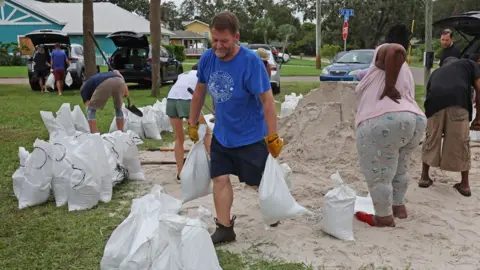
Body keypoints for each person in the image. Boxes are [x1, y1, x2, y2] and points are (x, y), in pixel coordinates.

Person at [187, 11, 283, 245]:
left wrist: (272, 136)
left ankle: (275, 206)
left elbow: (267, 100)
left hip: (250, 136)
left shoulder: (250, 62)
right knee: (219, 179)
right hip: (222, 134)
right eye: (215, 40)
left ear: (236, 37)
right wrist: (192, 123)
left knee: (259, 181)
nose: (218, 45)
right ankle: (225, 228)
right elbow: (199, 92)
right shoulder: (208, 58)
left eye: (224, 41)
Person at [354, 24, 426, 227]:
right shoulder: (406, 70)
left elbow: (395, 49)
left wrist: (388, 86)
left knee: (379, 173)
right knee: (399, 168)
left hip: (384, 120)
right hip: (414, 121)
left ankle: (383, 217)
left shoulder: (386, 49)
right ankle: (398, 208)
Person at [419, 56, 480, 197]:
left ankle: (424, 177)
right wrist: (478, 118)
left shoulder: (436, 73)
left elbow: (428, 96)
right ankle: (464, 184)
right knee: (461, 141)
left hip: (434, 104)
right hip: (459, 102)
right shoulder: (469, 64)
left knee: (431, 137)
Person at [166, 63, 212, 183]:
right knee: (206, 133)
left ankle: (180, 173)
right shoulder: (202, 75)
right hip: (187, 101)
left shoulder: (183, 75)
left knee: (178, 138)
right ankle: (213, 165)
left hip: (171, 100)